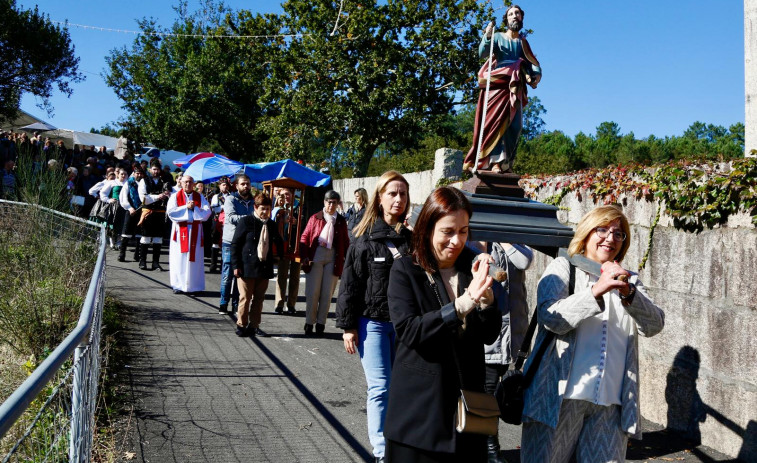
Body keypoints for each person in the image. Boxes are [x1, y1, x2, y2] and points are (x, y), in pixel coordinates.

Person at [521, 205, 665, 463]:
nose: (610, 238)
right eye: (602, 229)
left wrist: (628, 293)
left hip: (610, 405)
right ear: (586, 233)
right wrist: (596, 291)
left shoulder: (629, 280)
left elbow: (654, 325)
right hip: (560, 400)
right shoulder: (563, 267)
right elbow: (551, 318)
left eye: (618, 234)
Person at [384, 186, 501, 462]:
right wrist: (463, 303)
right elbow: (410, 331)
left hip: (466, 414)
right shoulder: (405, 270)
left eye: (463, 231)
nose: (456, 241)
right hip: (419, 417)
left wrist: (486, 301)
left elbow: (489, 334)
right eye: (448, 232)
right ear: (427, 229)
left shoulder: (471, 267)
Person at [336, 171, 411, 463]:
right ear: (379, 198)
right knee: (380, 388)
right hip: (373, 324)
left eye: (403, 193)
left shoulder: (411, 240)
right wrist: (348, 326)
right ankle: (381, 452)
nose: (398, 199)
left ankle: (398, 442)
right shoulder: (363, 240)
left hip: (405, 326)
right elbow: (349, 285)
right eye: (392, 193)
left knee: (401, 388)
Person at [463, 4, 542, 173]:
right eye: (511, 14)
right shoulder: (498, 37)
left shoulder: (523, 42)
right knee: (496, 123)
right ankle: (495, 162)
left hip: (515, 86)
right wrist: (487, 36)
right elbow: (482, 53)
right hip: (498, 84)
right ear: (506, 19)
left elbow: (532, 63)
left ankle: (507, 163)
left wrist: (536, 76)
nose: (514, 16)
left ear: (522, 18)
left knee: (515, 126)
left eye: (518, 14)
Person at [483, 242, 533, 463]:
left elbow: (524, 260)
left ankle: (485, 446)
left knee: (502, 392)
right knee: (488, 392)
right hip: (489, 333)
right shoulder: (479, 240)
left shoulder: (513, 240)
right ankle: (490, 449)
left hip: (513, 332)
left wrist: (504, 236)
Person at [230, 192, 283, 337]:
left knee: (259, 299)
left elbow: (278, 241)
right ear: (256, 207)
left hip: (264, 267)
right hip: (246, 267)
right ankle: (241, 325)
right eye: (262, 209)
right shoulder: (245, 222)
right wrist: (236, 265)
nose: (265, 212)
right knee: (245, 298)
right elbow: (235, 244)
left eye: (268, 209)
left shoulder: (271, 224)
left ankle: (254, 326)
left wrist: (281, 256)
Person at [299, 190, 349, 336]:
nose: (331, 205)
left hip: (333, 257)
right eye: (329, 201)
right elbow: (305, 237)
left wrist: (348, 260)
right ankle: (309, 322)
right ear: (324, 202)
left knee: (327, 293)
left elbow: (345, 241)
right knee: (313, 292)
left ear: (338, 204)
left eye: (334, 202)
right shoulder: (315, 218)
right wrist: (304, 256)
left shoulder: (340, 220)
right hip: (316, 255)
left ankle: (321, 323)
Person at [166, 175, 212, 294]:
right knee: (179, 258)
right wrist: (186, 207)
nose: (188, 184)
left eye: (190, 182)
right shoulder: (175, 196)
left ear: (194, 184)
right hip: (181, 229)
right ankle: (178, 285)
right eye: (185, 182)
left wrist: (195, 208)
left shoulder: (200, 197)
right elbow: (170, 212)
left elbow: (207, 212)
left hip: (195, 230)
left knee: (195, 259)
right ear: (181, 183)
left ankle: (194, 286)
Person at [219, 175, 256, 314]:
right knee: (227, 274)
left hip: (246, 243)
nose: (246, 186)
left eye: (248, 184)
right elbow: (231, 218)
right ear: (237, 186)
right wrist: (252, 218)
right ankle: (223, 303)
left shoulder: (253, 201)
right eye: (243, 184)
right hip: (230, 242)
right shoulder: (230, 199)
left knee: (240, 275)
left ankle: (236, 304)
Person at [138, 158, 171, 271]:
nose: (156, 171)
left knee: (158, 238)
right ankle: (142, 261)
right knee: (146, 237)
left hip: (160, 213)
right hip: (148, 213)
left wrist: (167, 194)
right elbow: (143, 198)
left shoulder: (164, 182)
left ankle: (155, 263)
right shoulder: (144, 181)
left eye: (157, 169)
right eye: (154, 169)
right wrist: (157, 196)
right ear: (150, 169)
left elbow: (170, 196)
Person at [274, 187, 301, 315]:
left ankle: (291, 304)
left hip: (297, 245)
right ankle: (279, 303)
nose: (286, 197)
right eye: (284, 194)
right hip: (283, 245)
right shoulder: (279, 208)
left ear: (293, 194)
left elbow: (306, 224)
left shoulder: (300, 207)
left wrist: (296, 222)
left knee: (295, 277)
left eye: (288, 194)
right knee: (282, 275)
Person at [118, 166, 144, 262]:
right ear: (134, 173)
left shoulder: (144, 183)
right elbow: (123, 197)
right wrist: (129, 208)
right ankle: (122, 254)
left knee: (139, 233)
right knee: (126, 232)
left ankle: (137, 255)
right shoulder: (128, 183)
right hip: (130, 210)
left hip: (141, 210)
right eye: (137, 173)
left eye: (141, 173)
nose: (139, 175)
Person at [209, 177, 231, 273]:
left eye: (226, 185)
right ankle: (213, 265)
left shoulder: (232, 196)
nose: (225, 187)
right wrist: (223, 207)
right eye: (223, 185)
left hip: (228, 221)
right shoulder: (216, 196)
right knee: (215, 242)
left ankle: (223, 265)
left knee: (225, 243)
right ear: (219, 186)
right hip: (217, 220)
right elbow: (214, 209)